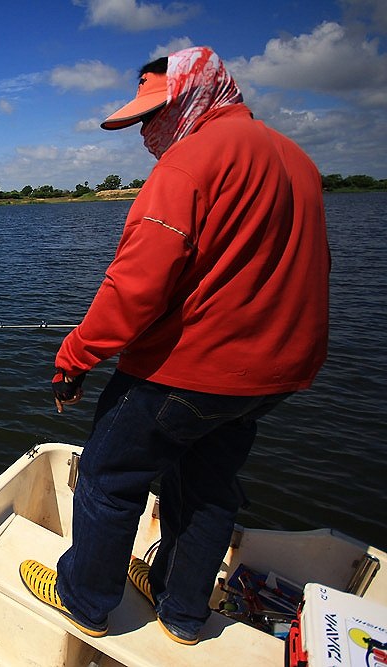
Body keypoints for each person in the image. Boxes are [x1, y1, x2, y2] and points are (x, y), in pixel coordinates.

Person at [18, 46, 330, 645]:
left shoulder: (189, 163)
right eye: (139, 121)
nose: (145, 134)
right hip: (273, 380)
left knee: (110, 478)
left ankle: (84, 600)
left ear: (195, 91)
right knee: (207, 489)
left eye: (154, 114)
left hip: (187, 373)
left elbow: (135, 287)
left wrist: (75, 356)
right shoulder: (298, 160)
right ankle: (182, 611)